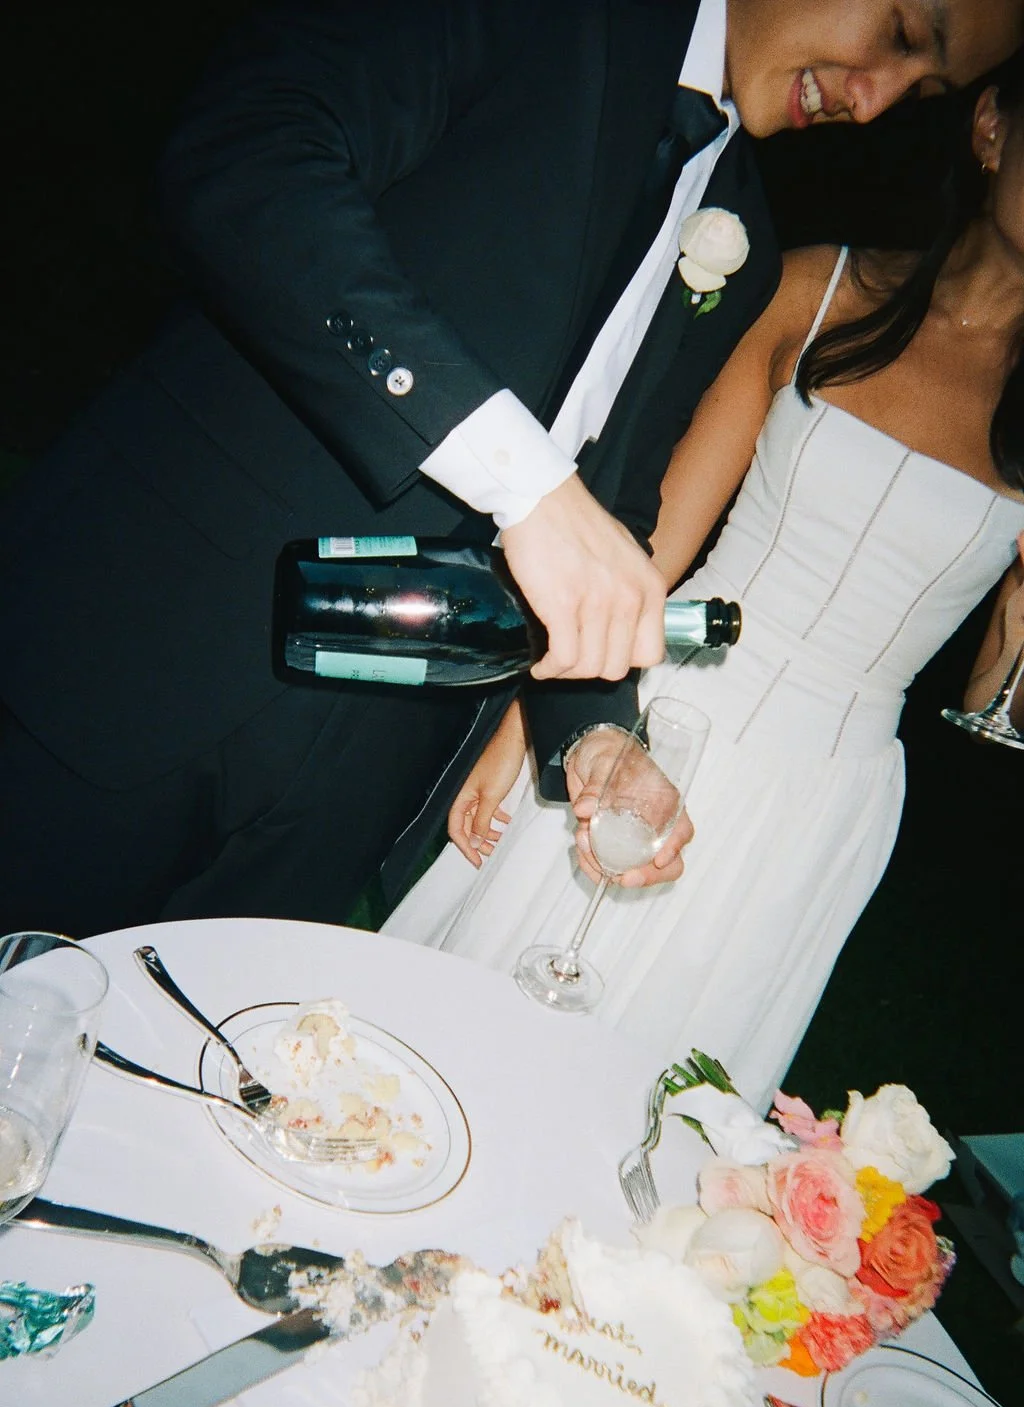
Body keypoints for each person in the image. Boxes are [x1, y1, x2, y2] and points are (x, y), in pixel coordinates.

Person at [1, 0, 1020, 940]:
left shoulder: (743, 238)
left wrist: (592, 734)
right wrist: (519, 478)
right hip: (152, 644)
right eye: (900, 35)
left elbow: (610, 501)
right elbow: (252, 152)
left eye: (921, 90)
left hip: (359, 780)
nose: (873, 100)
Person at [384, 58, 1024, 1110]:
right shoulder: (816, 288)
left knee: (655, 1092)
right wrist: (528, 725)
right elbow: (655, 540)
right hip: (667, 698)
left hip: (827, 789)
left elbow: (992, 704)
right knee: (478, 1018)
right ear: (993, 126)